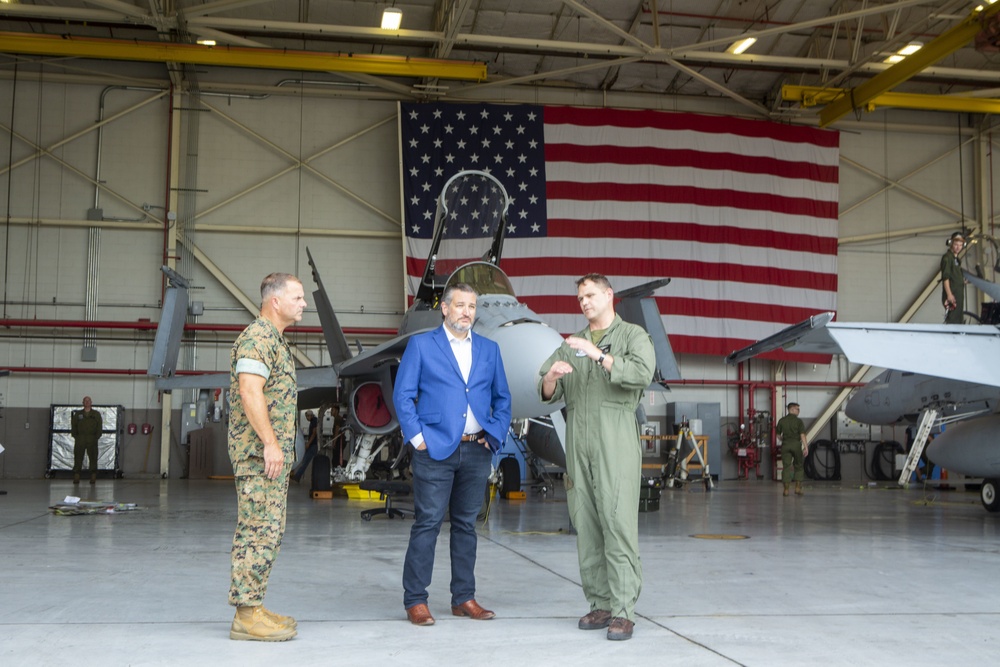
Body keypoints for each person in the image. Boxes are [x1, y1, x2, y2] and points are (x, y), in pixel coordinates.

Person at [538, 273, 655, 642]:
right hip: (578, 443)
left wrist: (599, 355)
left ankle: (623, 611)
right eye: (580, 298)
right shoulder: (571, 343)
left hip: (615, 440)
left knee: (617, 523)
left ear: (609, 295)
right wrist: (553, 377)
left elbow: (641, 373)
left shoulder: (633, 336)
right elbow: (544, 386)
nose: (584, 302)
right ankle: (600, 603)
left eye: (590, 295)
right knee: (586, 525)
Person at [392, 282, 512, 627]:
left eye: (472, 307)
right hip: (435, 450)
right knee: (427, 523)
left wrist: (494, 435)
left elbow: (502, 398)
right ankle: (415, 600)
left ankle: (463, 598)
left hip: (476, 449)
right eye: (460, 305)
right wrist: (417, 439)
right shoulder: (421, 345)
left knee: (466, 526)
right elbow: (403, 395)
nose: (466, 312)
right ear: (445, 308)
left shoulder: (489, 350)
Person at [227, 272, 306, 642]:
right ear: (276, 302)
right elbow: (249, 391)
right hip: (259, 457)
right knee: (258, 532)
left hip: (269, 459)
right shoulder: (259, 337)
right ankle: (246, 615)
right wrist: (271, 444)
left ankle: (253, 606)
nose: (303, 304)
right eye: (298, 297)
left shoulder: (274, 339)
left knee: (268, 533)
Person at [776, 402, 809, 496]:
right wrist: (806, 447)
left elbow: (778, 435)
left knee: (786, 466)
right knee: (798, 466)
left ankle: (786, 490)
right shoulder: (799, 421)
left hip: (785, 445)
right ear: (792, 409)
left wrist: (784, 439)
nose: (799, 411)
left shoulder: (782, 420)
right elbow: (802, 435)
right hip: (796, 445)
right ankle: (797, 488)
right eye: (797, 409)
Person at [71, 396, 102, 485]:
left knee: (93, 457)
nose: (87, 402)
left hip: (92, 439)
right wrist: (76, 436)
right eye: (85, 401)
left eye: (88, 401)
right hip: (80, 438)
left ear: (91, 402)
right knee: (78, 457)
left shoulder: (96, 414)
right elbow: (74, 426)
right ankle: (76, 475)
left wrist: (96, 437)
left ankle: (93, 475)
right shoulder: (78, 414)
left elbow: (99, 427)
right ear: (83, 403)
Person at [941, 231, 966, 325]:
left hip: (958, 294)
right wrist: (949, 295)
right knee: (953, 320)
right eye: (956, 244)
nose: (958, 247)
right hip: (952, 295)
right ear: (951, 243)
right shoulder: (947, 258)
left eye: (961, 245)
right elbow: (946, 278)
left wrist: (962, 281)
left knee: (958, 319)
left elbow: (954, 276)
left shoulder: (956, 259)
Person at [291, 410, 319, 483]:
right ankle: (299, 476)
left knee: (305, 461)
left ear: (310, 415)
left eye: (307, 416)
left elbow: (314, 433)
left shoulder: (314, 421)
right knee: (312, 462)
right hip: (314, 444)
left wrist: (308, 443)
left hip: (313, 445)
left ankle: (297, 476)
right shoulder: (314, 421)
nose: (307, 418)